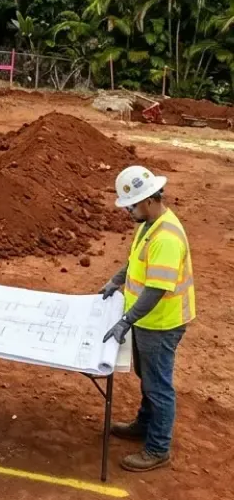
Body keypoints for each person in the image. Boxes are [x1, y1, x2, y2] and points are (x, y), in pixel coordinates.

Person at [100, 165, 195, 472]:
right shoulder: (148, 225)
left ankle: (157, 448)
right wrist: (116, 281)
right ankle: (144, 424)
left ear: (150, 200)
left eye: (132, 205)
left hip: (162, 323)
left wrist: (125, 320)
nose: (129, 211)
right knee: (148, 377)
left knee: (158, 385)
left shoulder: (166, 237)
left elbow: (155, 289)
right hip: (147, 321)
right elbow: (136, 262)